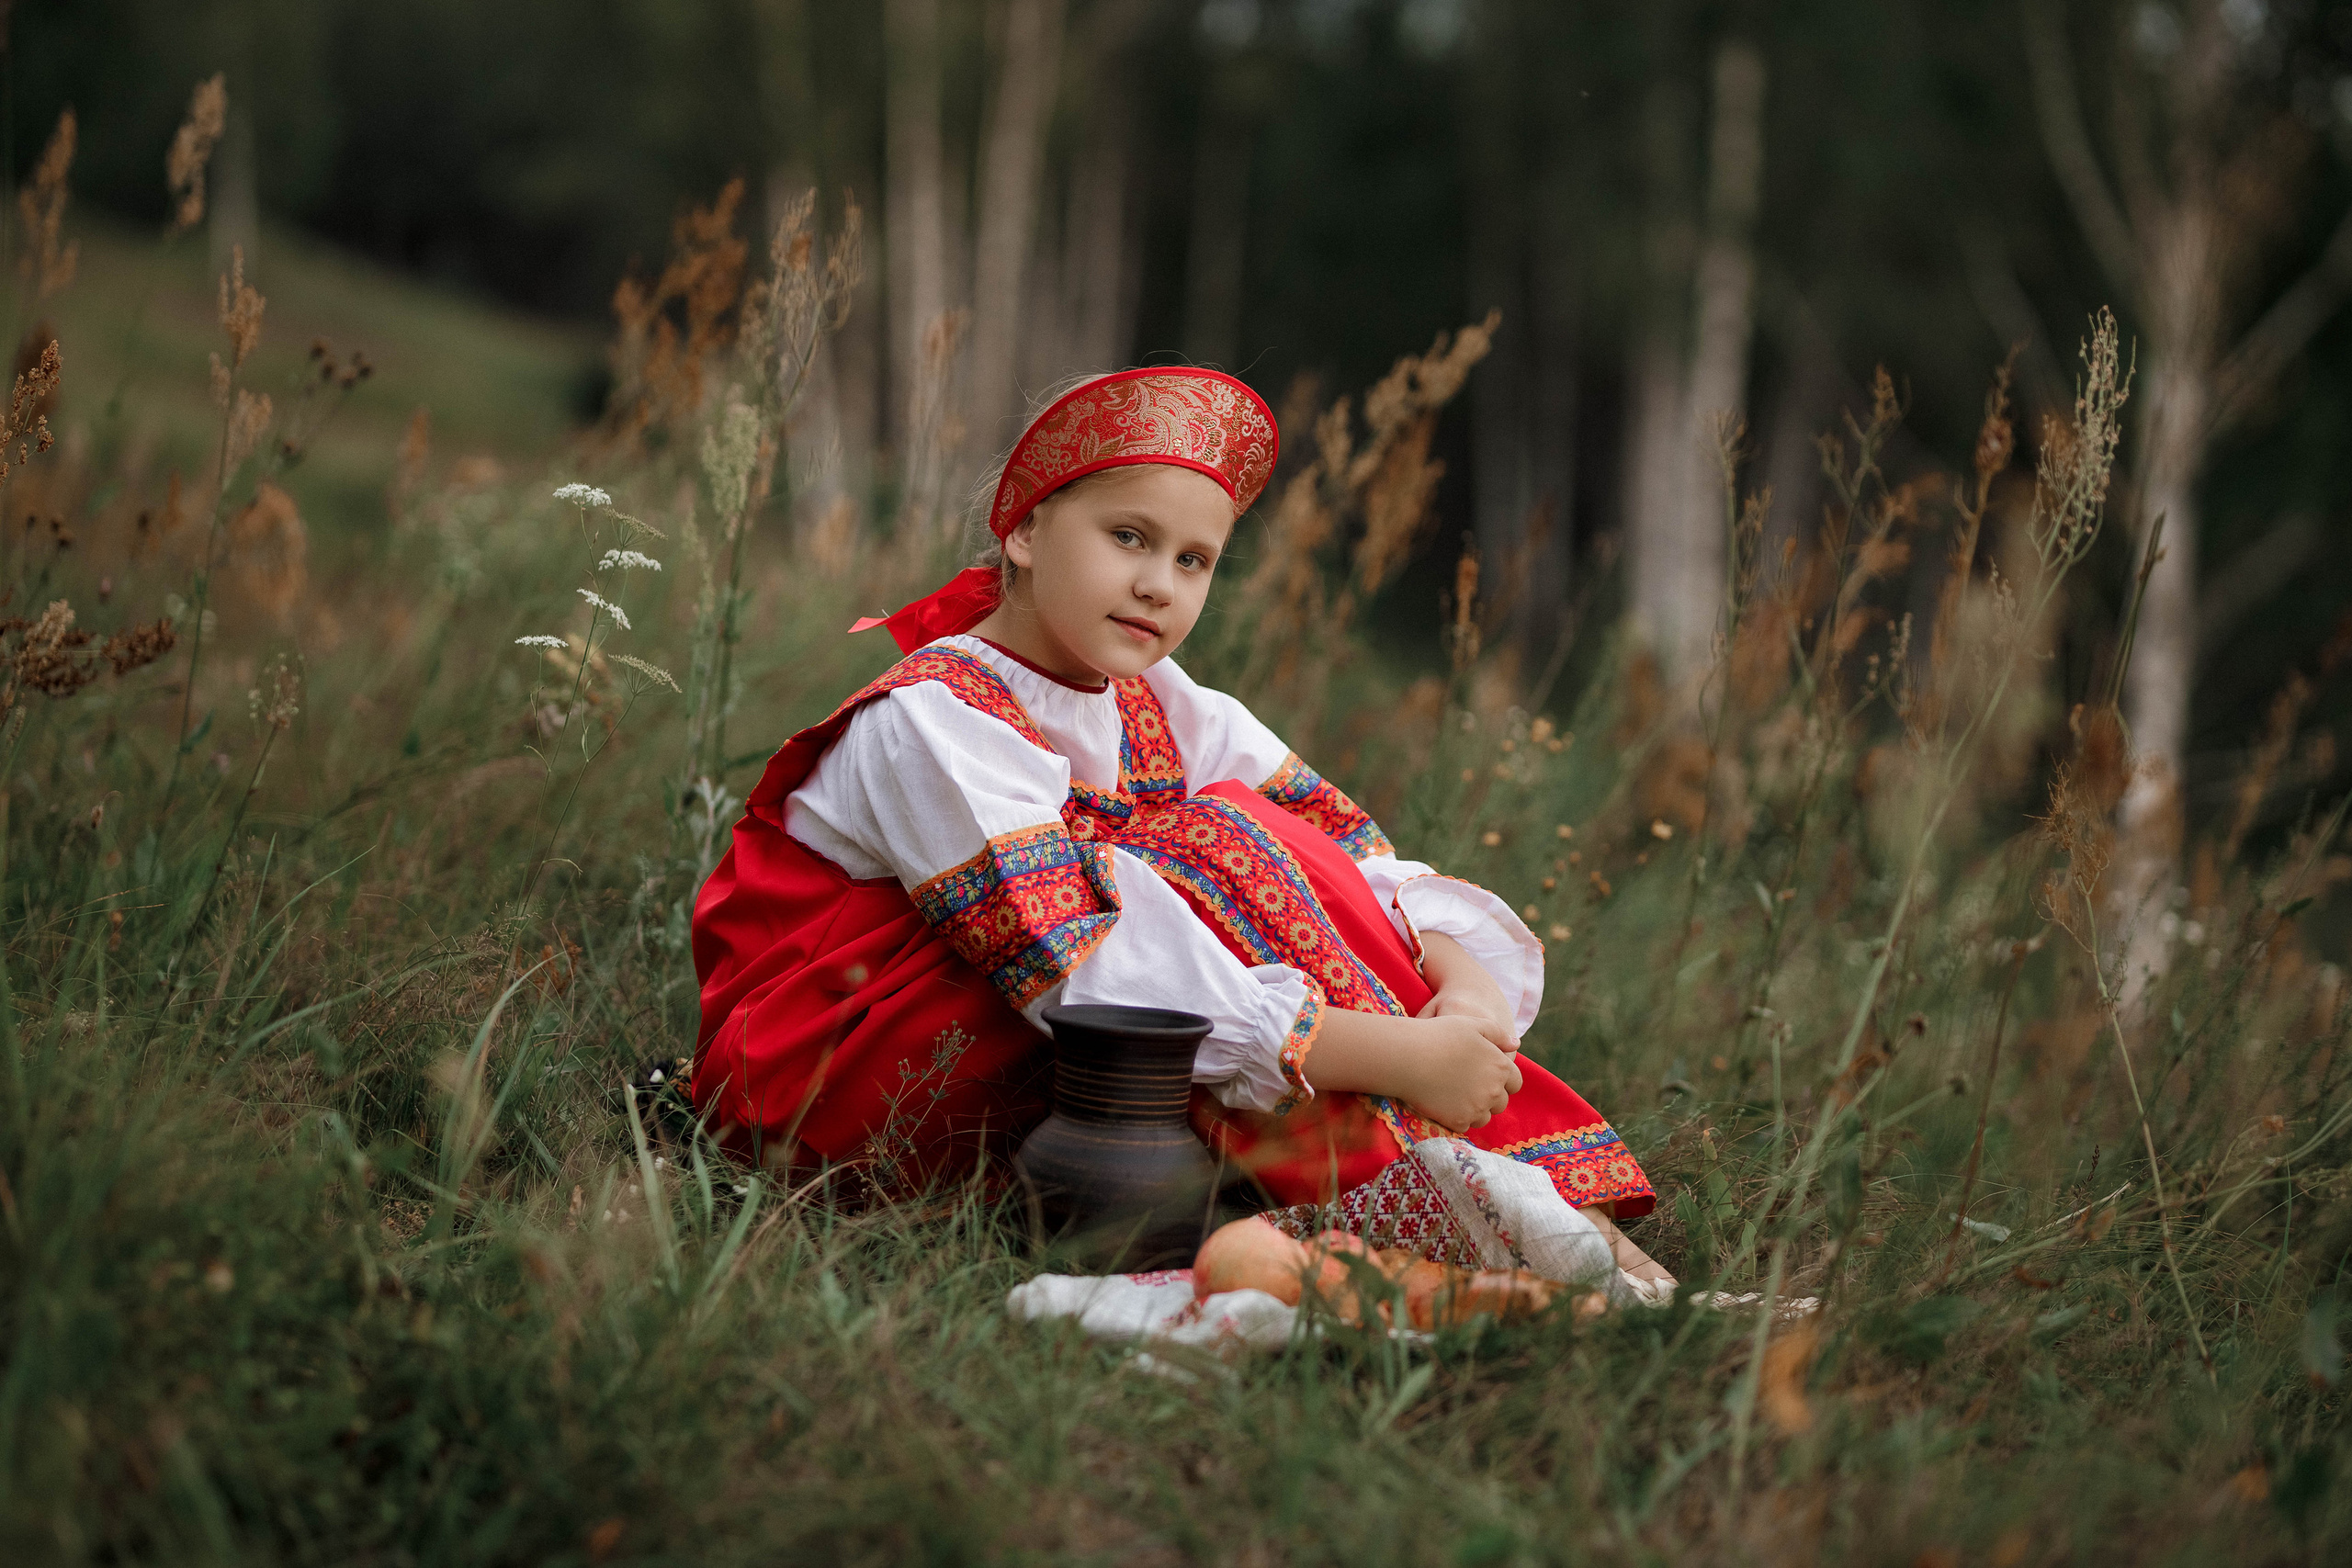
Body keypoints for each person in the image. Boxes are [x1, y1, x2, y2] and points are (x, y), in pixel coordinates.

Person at [690, 367, 1672, 1292]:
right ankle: (1459, 1208)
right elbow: (1075, 966)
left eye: (1193, 560)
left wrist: (1463, 990)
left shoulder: (1159, 702)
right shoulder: (933, 718)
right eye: (1128, 537)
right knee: (1202, 844)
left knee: (1241, 832)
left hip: (1043, 1060)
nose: (1161, 583)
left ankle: (1481, 1204)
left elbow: (1347, 857)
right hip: (838, 1082)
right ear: (1026, 532)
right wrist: (1391, 1054)